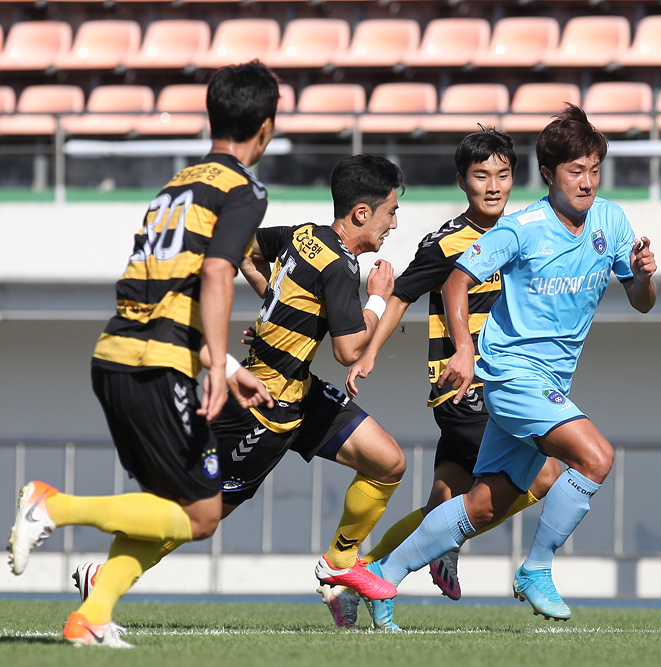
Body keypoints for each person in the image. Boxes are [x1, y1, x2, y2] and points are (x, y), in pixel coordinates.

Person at [7, 61, 280, 648]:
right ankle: (54, 506)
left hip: (116, 355)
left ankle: (90, 616)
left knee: (163, 504)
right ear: (266, 126)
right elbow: (217, 272)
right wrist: (216, 362)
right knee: (202, 515)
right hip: (156, 367)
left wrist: (226, 365)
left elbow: (167, 289)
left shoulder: (174, 186)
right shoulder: (243, 188)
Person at [71, 154, 410, 623]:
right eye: (391, 211)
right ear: (361, 212)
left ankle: (338, 563)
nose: (394, 223)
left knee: (387, 462)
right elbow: (349, 350)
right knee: (201, 512)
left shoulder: (303, 234)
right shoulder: (340, 266)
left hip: (301, 392)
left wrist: (277, 315)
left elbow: (248, 253)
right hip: (263, 408)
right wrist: (378, 297)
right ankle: (102, 574)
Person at [361, 105, 657, 630]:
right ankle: (536, 569)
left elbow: (641, 302)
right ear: (548, 174)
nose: (587, 182)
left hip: (550, 381)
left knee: (482, 505)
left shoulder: (611, 221)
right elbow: (456, 281)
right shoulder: (521, 229)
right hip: (510, 375)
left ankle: (383, 574)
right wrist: (463, 349)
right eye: (575, 171)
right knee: (595, 457)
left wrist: (643, 276)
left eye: (594, 170)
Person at [327, 129, 560, 627]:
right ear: (462, 181)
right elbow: (401, 295)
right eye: (481, 176)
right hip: (465, 390)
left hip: (502, 384)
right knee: (546, 475)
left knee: (445, 502)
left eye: (502, 175)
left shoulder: (521, 232)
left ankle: (358, 579)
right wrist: (369, 354)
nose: (493, 186)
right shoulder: (447, 241)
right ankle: (443, 545)